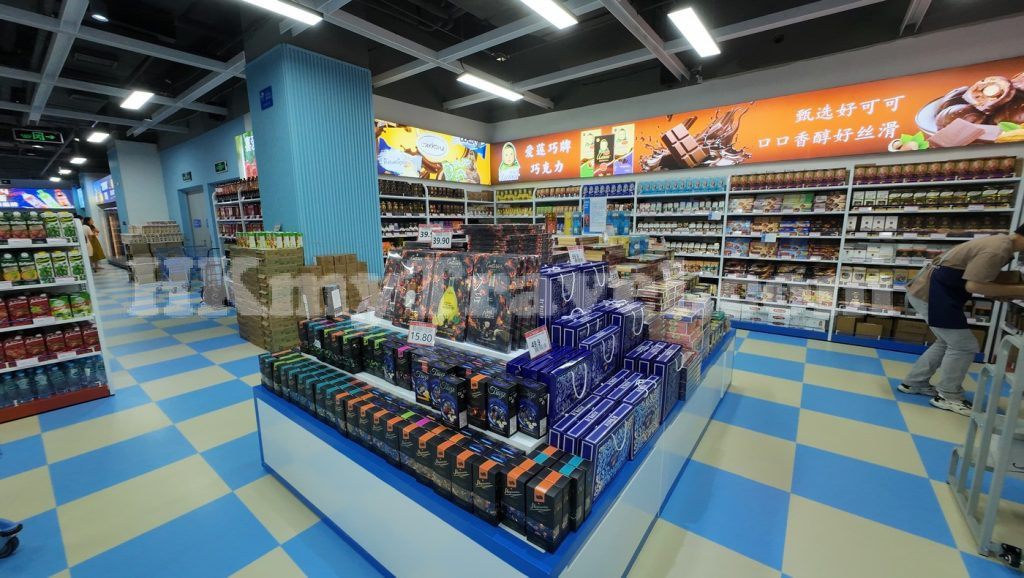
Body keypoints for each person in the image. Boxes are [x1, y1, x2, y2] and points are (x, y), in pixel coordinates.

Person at [900, 226, 1024, 415]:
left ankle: (914, 382)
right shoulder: (998, 248)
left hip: (930, 292)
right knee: (964, 345)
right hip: (932, 295)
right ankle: (948, 395)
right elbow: (974, 285)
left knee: (946, 342)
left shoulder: (1000, 242)